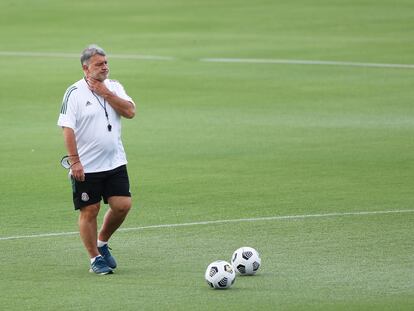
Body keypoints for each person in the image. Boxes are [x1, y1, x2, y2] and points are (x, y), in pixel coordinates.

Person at [57, 44, 136, 275]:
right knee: (89, 210)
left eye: (106, 63)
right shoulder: (74, 92)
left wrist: (106, 94)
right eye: (99, 64)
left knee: (122, 205)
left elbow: (130, 112)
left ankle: (102, 242)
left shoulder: (114, 87)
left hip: (115, 162)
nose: (105, 67)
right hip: (87, 166)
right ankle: (94, 258)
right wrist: (75, 161)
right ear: (85, 68)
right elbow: (67, 129)